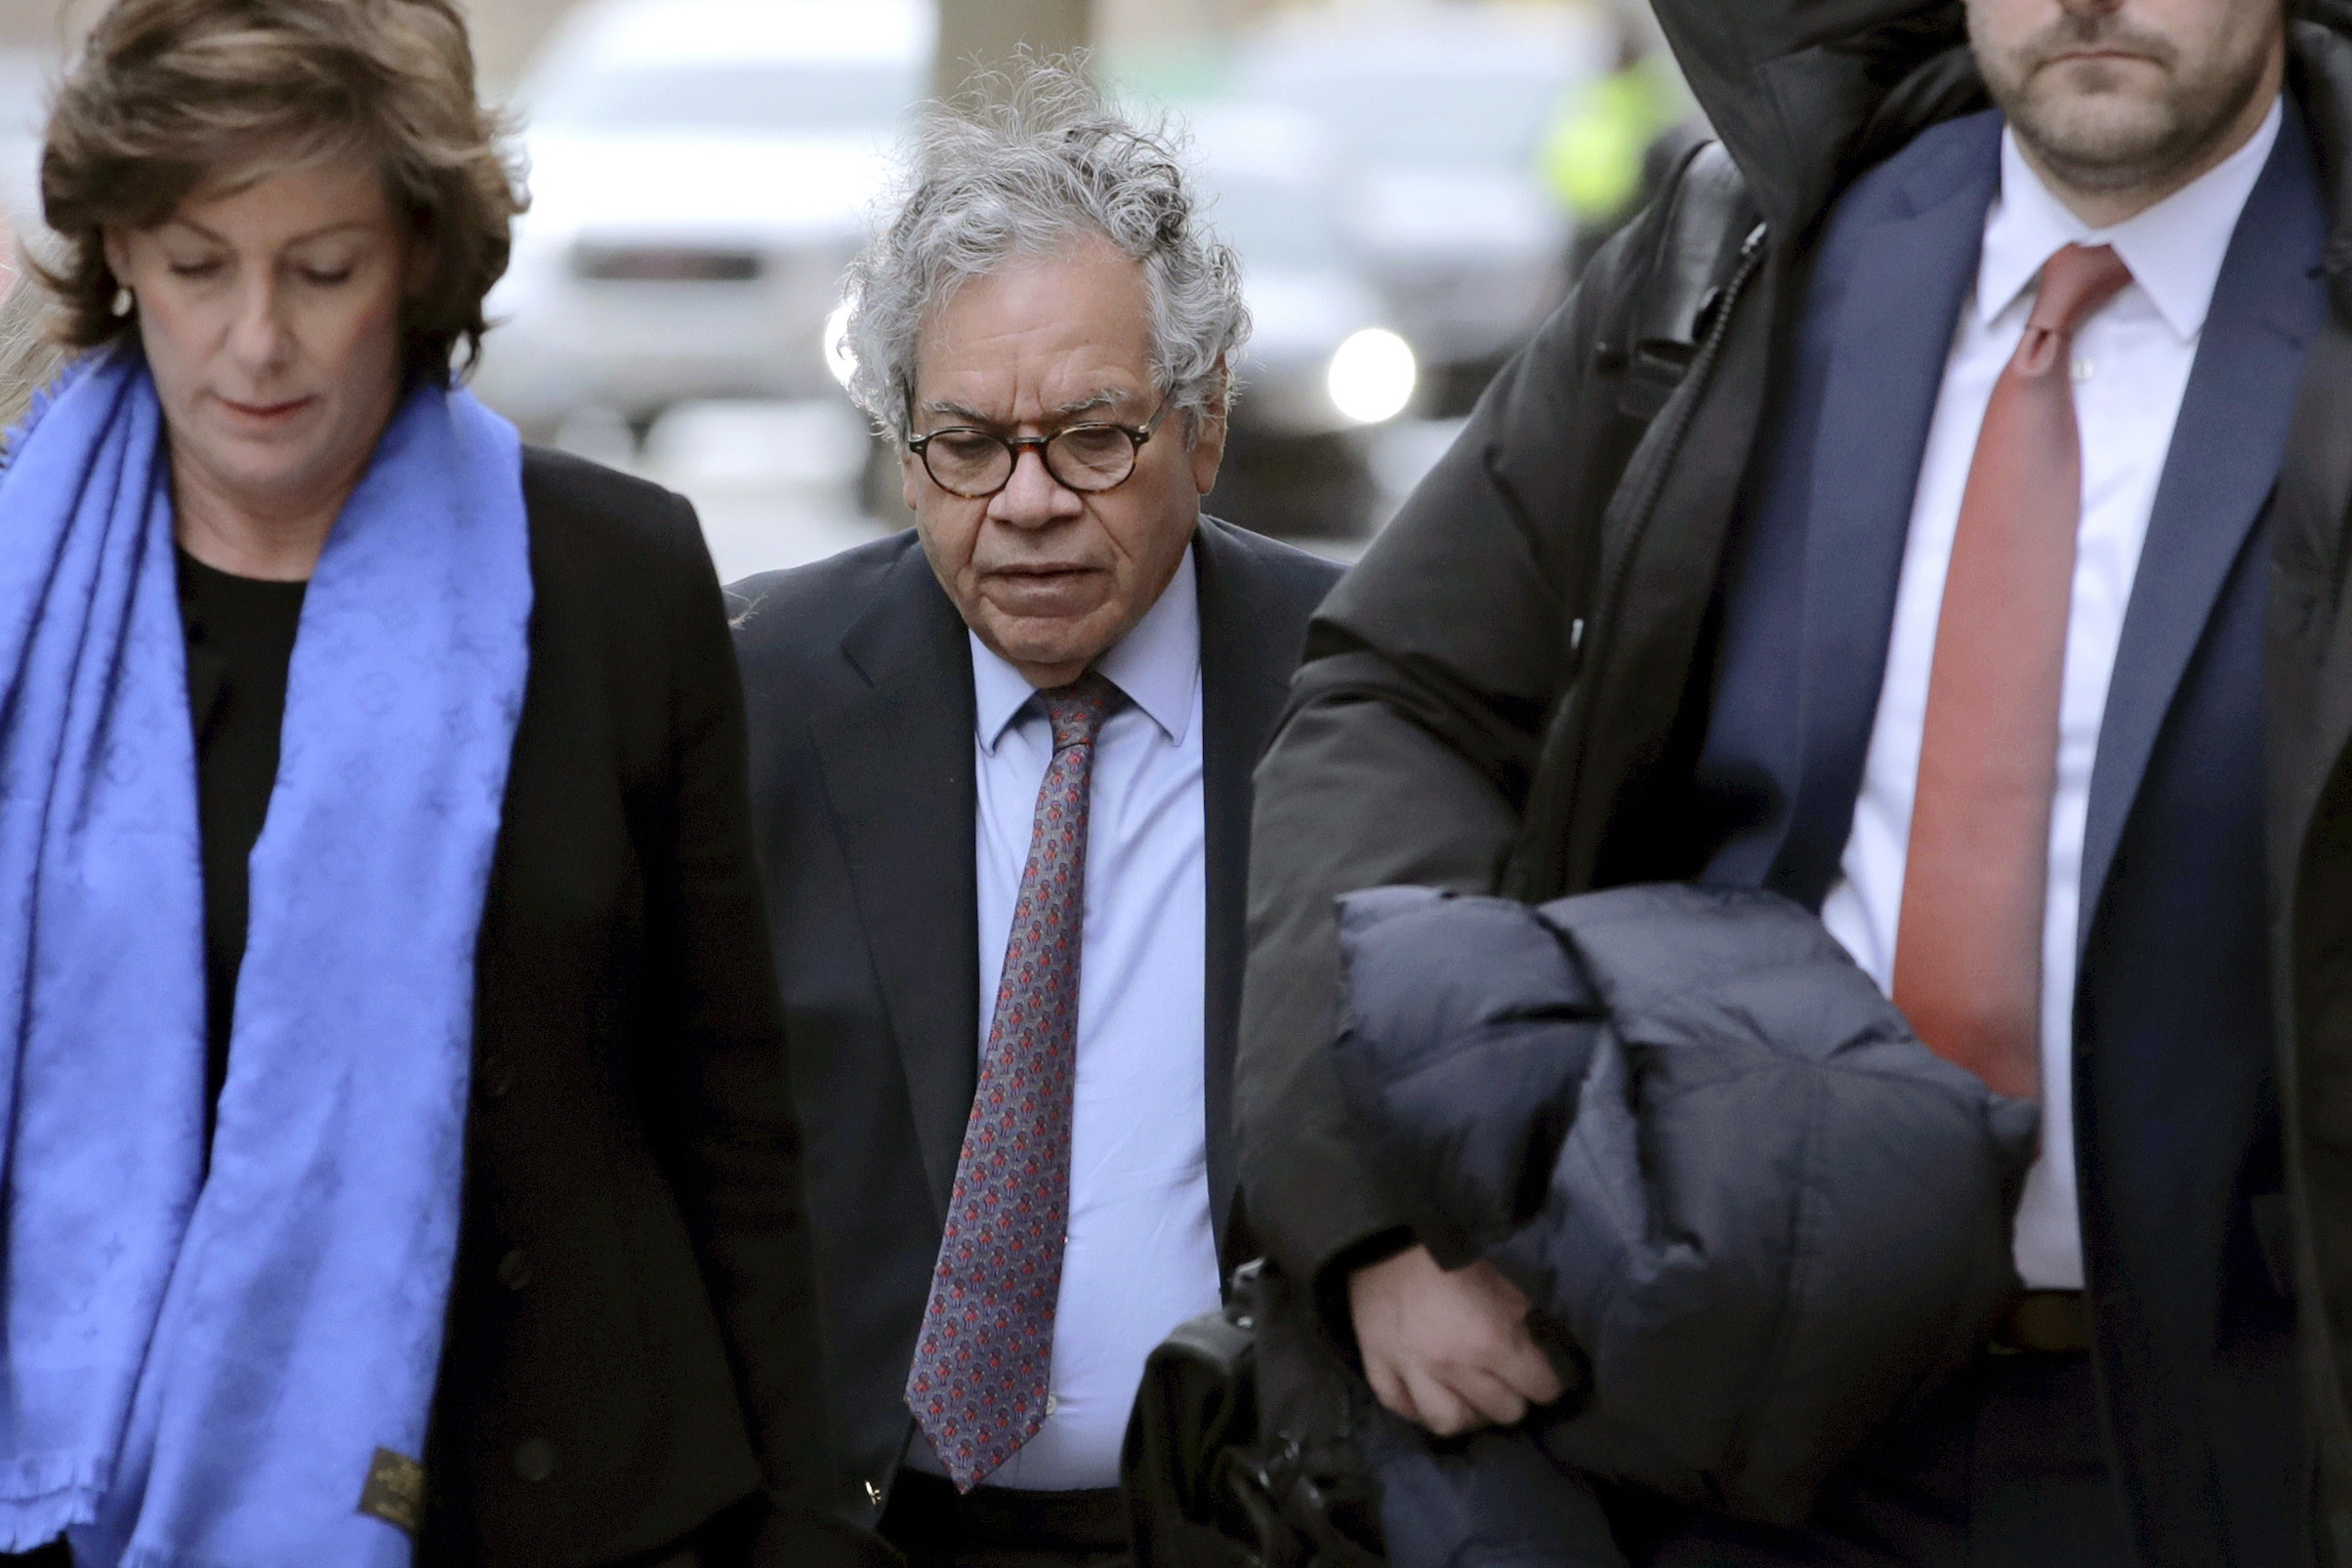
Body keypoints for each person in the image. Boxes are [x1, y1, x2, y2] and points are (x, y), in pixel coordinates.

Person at [1237, 0, 2350, 1560]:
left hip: (2249, 1448)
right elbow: (1396, 690)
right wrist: (1385, 1205)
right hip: (1730, 1433)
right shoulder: (1744, 258)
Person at [0, 2, 866, 1563]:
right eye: (199, 265)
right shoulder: (21, 604)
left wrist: (802, 1522)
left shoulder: (616, 577)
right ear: (118, 253)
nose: (257, 338)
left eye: (319, 270)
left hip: (574, 1506)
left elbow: (732, 1110)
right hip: (96, 1514)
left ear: (416, 264)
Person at [730, 62, 1341, 1568]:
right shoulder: (757, 695)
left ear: (1201, 430)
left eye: (1090, 437)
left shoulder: (1362, 690)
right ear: (903, 447)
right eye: (966, 444)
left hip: (1249, 1525)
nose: (1026, 501)